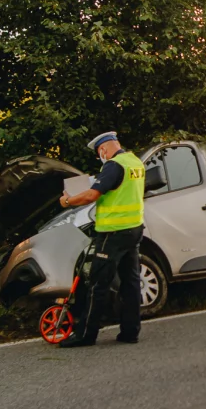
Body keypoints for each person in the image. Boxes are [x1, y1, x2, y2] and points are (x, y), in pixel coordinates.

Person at [57, 132, 146, 347]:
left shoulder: (114, 166)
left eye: (99, 154)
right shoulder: (135, 162)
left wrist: (68, 201)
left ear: (104, 150)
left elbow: (91, 195)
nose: (101, 158)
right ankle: (130, 331)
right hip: (134, 229)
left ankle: (85, 335)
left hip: (112, 233)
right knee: (131, 282)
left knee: (98, 283)